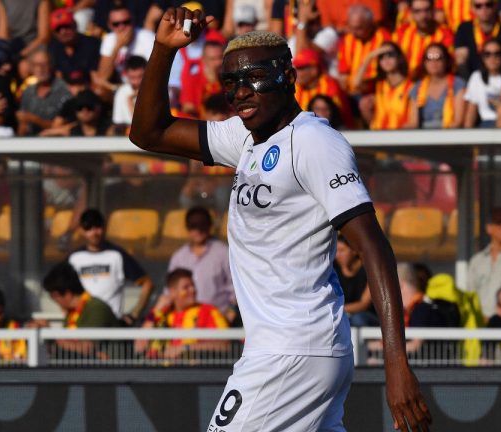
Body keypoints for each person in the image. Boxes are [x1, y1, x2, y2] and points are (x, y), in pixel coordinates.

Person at [129, 9, 430, 430]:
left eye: (252, 78)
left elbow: (374, 247)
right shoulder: (245, 138)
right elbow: (149, 133)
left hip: (292, 349)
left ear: (289, 78)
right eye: (230, 83)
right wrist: (163, 50)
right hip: (296, 348)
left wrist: (396, 364)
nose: (239, 93)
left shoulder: (314, 142)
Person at [67, 209, 154, 325]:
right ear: (81, 230)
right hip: (82, 323)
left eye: (97, 227)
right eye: (88, 228)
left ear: (105, 227)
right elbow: (59, 290)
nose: (94, 232)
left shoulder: (117, 254)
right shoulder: (74, 258)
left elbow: (147, 284)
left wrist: (134, 314)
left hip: (112, 325)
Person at [139, 268, 230, 360]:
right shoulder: (163, 313)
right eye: (186, 287)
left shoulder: (209, 311)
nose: (193, 290)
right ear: (172, 292)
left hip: (193, 372)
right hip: (158, 372)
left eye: (193, 285)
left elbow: (225, 344)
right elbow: (139, 347)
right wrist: (156, 310)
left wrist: (185, 348)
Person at [167, 206, 235, 321]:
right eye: (193, 225)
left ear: (209, 226)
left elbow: (236, 288)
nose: (198, 230)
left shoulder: (223, 253)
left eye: (202, 224)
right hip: (185, 324)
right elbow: (169, 292)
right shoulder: (178, 257)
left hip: (218, 322)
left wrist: (231, 312)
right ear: (187, 228)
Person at [41, 261, 121, 359]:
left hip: (109, 371)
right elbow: (66, 346)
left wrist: (50, 334)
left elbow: (86, 348)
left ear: (67, 293)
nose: (55, 301)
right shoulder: (72, 313)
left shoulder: (96, 308)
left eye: (54, 297)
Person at [405, 43, 466, 129]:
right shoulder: (417, 87)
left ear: (446, 61)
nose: (433, 62)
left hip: (450, 135)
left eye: (438, 58)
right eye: (429, 58)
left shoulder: (458, 84)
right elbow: (414, 123)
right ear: (425, 62)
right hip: (424, 136)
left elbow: (458, 122)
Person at [356, 42, 413, 130]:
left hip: (402, 136)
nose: (386, 59)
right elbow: (356, 83)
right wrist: (370, 57)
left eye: (390, 55)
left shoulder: (411, 85)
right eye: (381, 56)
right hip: (378, 135)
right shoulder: (378, 84)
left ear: (399, 57)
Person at [453, 0, 501, 77]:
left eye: (488, 4)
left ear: (495, 6)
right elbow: (461, 61)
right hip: (471, 78)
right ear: (472, 8)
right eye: (478, 6)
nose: (484, 9)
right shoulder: (464, 29)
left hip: (500, 77)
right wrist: (470, 84)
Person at [17, 49, 73, 136]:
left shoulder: (64, 91)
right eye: (36, 65)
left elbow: (62, 127)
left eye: (44, 64)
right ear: (31, 68)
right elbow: (23, 126)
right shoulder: (28, 92)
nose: (40, 69)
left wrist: (34, 119)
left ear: (51, 66)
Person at [337, 5, 391, 93]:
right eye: (351, 28)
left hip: (375, 90)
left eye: (359, 28)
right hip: (352, 92)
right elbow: (343, 72)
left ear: (370, 24)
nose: (354, 32)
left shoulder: (384, 38)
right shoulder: (347, 40)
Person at [292, 48, 352, 127]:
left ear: (314, 70)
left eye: (301, 68)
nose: (296, 72)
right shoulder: (295, 87)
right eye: (295, 68)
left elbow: (334, 119)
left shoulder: (329, 86)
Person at [96, 6, 154, 86]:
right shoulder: (109, 39)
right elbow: (103, 77)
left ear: (133, 21)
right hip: (123, 87)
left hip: (145, 84)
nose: (122, 27)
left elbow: (155, 72)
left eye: (126, 22)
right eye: (116, 24)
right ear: (110, 25)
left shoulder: (148, 37)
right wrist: (117, 48)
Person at [394, 0, 454, 76]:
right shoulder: (402, 32)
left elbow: (449, 64)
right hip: (405, 82)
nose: (423, 15)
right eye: (417, 11)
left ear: (433, 10)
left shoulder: (445, 34)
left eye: (427, 10)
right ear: (411, 13)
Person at [463, 38, 501, 127]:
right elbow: (472, 111)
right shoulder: (476, 77)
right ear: (482, 58)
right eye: (487, 54)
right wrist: (467, 137)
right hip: (487, 124)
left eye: (497, 54)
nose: (492, 58)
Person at [333, 235, 376, 327]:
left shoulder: (369, 270)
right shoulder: (333, 269)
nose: (337, 255)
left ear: (354, 250)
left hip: (367, 316)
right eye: (336, 251)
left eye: (342, 250)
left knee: (357, 319)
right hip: (343, 313)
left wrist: (337, 309)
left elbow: (364, 304)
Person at [48, 8, 101, 77]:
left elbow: (97, 77)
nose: (63, 32)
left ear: (75, 25)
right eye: (58, 29)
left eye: (66, 26)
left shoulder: (93, 44)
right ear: (54, 33)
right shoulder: (53, 49)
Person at [179, 40, 224, 117]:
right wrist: (213, 84)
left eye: (220, 58)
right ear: (203, 60)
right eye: (213, 59)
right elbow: (187, 110)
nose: (218, 63)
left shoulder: (230, 80)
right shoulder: (193, 81)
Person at [112, 55, 146, 130]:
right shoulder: (121, 92)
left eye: (140, 77)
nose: (136, 82)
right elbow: (119, 123)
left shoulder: (154, 91)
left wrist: (130, 100)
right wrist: (130, 99)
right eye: (132, 77)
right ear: (126, 75)